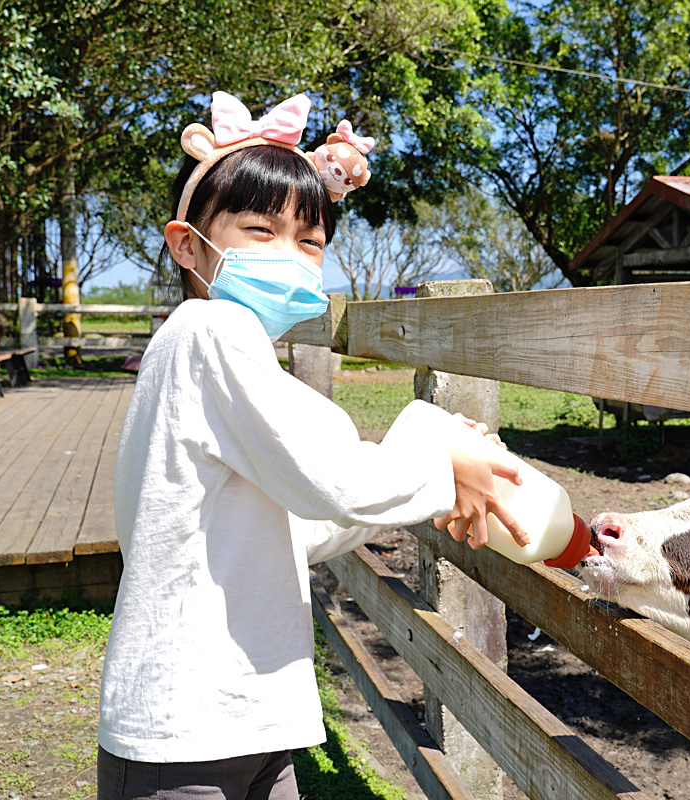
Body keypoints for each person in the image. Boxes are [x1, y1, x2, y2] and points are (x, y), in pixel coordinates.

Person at [96, 92, 527, 800]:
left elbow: (301, 525)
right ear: (187, 245)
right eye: (260, 230)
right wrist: (443, 466)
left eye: (309, 241)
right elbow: (329, 479)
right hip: (188, 732)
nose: (290, 257)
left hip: (247, 717)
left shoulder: (214, 354)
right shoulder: (212, 334)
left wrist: (424, 450)